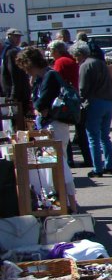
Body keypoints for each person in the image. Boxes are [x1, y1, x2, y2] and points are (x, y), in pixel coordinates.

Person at [15, 47, 79, 212]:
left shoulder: (49, 76)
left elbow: (40, 103)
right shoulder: (43, 77)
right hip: (51, 125)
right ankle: (65, 202)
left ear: (30, 64)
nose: (26, 71)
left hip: (53, 125)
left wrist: (38, 107)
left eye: (25, 67)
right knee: (56, 165)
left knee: (59, 165)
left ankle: (68, 203)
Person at [71, 43, 112, 179]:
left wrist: (79, 100)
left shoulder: (85, 65)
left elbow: (83, 88)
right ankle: (109, 165)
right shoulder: (102, 63)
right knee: (105, 136)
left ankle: (97, 168)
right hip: (108, 102)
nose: (75, 60)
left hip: (94, 102)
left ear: (80, 54)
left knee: (93, 137)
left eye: (75, 57)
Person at [48, 40, 92, 168]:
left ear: (56, 51)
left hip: (68, 101)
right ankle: (88, 159)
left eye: (51, 51)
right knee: (81, 132)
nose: (50, 54)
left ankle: (69, 161)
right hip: (77, 98)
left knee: (64, 130)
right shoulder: (70, 60)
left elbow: (56, 81)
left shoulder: (61, 62)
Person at [1, 28, 30, 131]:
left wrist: (13, 96)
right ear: (9, 36)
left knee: (17, 123)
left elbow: (15, 76)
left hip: (17, 94)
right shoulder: (8, 51)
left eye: (19, 37)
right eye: (16, 36)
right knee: (13, 122)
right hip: (13, 93)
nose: (18, 39)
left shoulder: (11, 52)